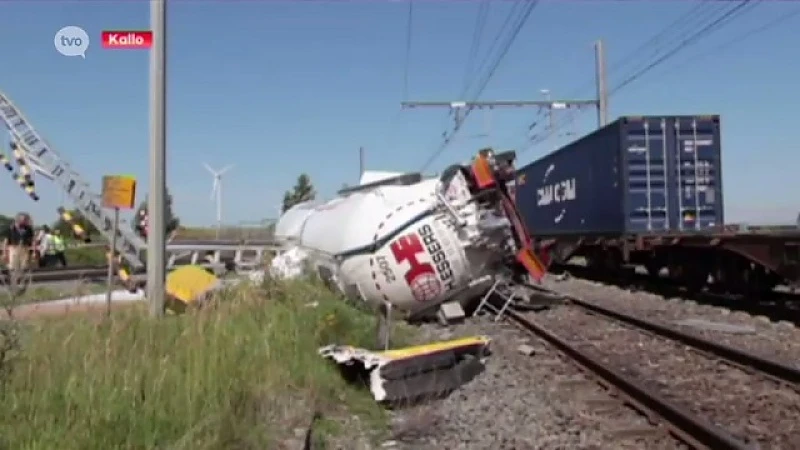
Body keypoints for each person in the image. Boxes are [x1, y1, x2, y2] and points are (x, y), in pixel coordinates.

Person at [3, 212, 35, 287]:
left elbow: (32, 240)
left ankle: (19, 279)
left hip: (24, 248)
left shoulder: (28, 229)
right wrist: (5, 252)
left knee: (23, 265)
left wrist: (33, 251)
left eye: (26, 220)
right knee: (13, 265)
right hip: (14, 248)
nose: (26, 221)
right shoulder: (11, 228)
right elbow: (6, 241)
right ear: (18, 220)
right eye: (24, 220)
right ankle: (14, 279)